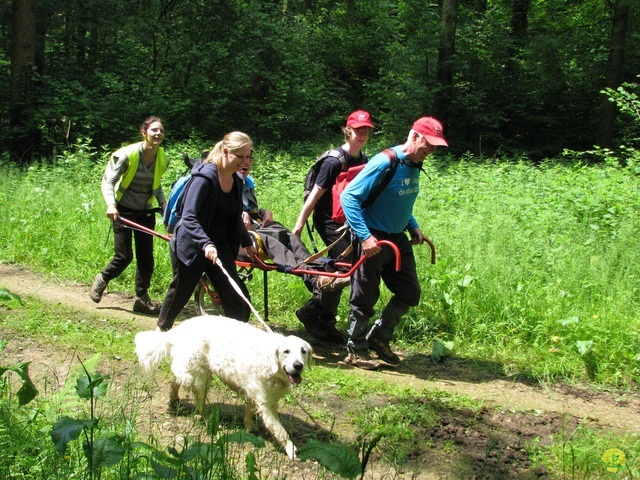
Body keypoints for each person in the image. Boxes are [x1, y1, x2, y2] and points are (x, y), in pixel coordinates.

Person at [340, 116, 448, 370]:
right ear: (414, 136)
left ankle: (378, 337)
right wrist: (365, 237)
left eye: (435, 146)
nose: (431, 150)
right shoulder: (385, 161)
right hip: (373, 237)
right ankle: (355, 349)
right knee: (365, 296)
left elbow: (399, 199)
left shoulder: (414, 163)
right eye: (428, 144)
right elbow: (349, 197)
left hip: (398, 238)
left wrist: (412, 225)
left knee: (410, 293)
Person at [156, 132, 257, 331]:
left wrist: (247, 242)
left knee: (232, 293)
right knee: (181, 292)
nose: (245, 162)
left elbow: (234, 217)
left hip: (220, 247)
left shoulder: (237, 181)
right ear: (226, 152)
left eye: (248, 156)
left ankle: (238, 341)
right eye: (240, 157)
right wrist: (205, 243)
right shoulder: (204, 178)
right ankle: (161, 330)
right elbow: (189, 216)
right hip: (193, 245)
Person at [292, 110, 375, 342]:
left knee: (343, 269)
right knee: (347, 268)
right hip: (330, 222)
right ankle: (314, 312)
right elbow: (316, 195)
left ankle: (321, 317)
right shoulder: (333, 161)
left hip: (349, 222)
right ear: (348, 131)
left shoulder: (363, 159)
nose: (363, 134)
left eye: (366, 130)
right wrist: (299, 225)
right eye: (359, 130)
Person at [90, 116, 168, 314]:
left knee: (146, 259)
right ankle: (102, 279)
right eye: (153, 130)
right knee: (124, 256)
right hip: (122, 211)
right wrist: (110, 205)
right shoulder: (128, 155)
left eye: (160, 131)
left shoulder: (162, 157)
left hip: (145, 213)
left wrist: (163, 203)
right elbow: (108, 181)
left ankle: (141, 299)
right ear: (144, 133)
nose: (158, 134)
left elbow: (156, 185)